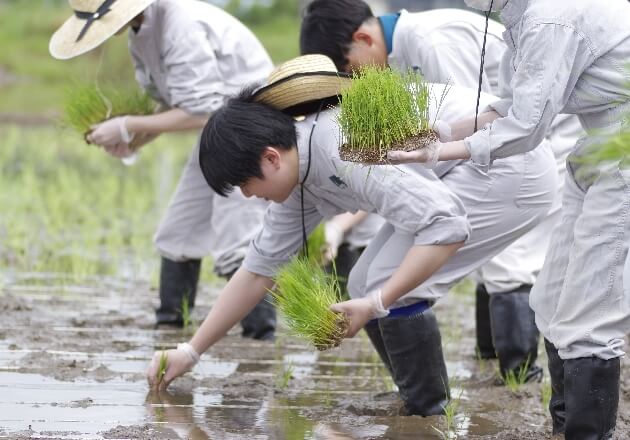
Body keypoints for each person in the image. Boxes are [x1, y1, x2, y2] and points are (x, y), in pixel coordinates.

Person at [146, 55, 556, 416]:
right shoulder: (297, 178)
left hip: (509, 167)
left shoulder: (342, 145)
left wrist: (377, 303)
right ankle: (415, 397)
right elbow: (258, 271)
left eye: (246, 186)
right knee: (361, 281)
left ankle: (429, 411)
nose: (250, 198)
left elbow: (447, 227)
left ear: (270, 158)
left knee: (380, 286)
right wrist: (191, 350)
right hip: (462, 172)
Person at [299, 0, 582, 380]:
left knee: (510, 261)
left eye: (349, 69)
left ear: (363, 38)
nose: (354, 82)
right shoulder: (398, 56)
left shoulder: (431, 42)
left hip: (537, 137)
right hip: (486, 148)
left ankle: (518, 376)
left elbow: (481, 120)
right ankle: (490, 365)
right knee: (478, 256)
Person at [384, 0, 630, 437]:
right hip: (597, 152)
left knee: (589, 317)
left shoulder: (549, 16)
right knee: (551, 303)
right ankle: (565, 428)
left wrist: (441, 152)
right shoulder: (517, 22)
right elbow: (507, 106)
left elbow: (525, 126)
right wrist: (439, 133)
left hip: (622, 155)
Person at [49, 0, 276, 339]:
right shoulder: (140, 32)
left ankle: (259, 339)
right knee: (177, 233)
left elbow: (201, 110)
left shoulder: (180, 25)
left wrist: (127, 124)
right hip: (217, 134)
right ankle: (170, 332)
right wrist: (134, 140)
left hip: (249, 131)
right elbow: (173, 104)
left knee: (237, 239)